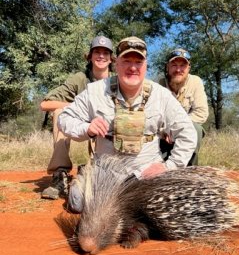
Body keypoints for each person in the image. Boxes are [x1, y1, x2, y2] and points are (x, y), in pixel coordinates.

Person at [58, 36, 197, 184]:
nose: (133, 68)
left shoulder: (161, 94)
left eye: (138, 62)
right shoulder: (95, 91)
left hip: (146, 174)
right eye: (126, 61)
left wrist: (169, 166)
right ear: (116, 64)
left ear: (146, 66)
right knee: (78, 201)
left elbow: (187, 132)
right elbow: (64, 119)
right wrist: (87, 128)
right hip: (105, 173)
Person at [40, 35, 114, 200]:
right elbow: (45, 104)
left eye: (105, 53)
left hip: (106, 131)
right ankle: (60, 174)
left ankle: (94, 169)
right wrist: (79, 108)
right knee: (60, 113)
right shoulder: (80, 78)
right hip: (82, 124)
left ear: (111, 59)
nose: (101, 56)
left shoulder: (117, 80)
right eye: (97, 52)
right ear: (90, 56)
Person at [159, 48, 209, 165]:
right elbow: (153, 115)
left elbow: (201, 113)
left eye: (183, 66)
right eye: (174, 65)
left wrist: (178, 127)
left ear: (189, 68)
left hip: (186, 128)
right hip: (164, 132)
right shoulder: (158, 84)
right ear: (167, 67)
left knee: (195, 129)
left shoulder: (196, 82)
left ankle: (190, 171)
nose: (178, 69)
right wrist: (164, 130)